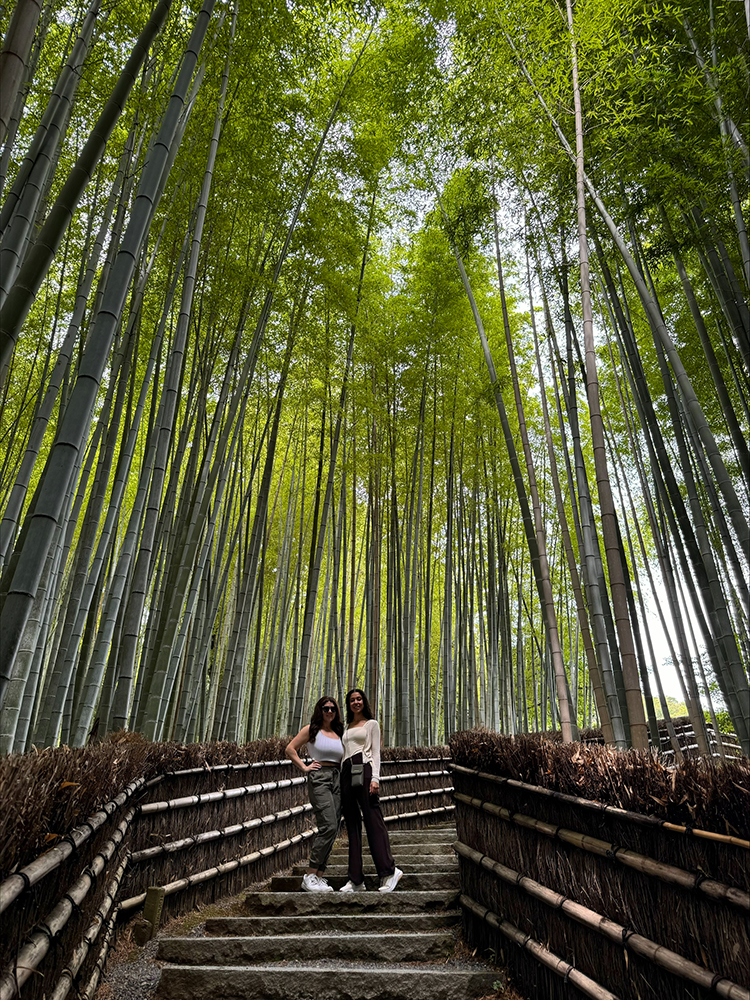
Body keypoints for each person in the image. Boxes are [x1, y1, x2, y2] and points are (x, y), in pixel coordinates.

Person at [339, 688, 403, 893]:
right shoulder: (346, 727)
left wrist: (375, 778)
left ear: (364, 702)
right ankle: (356, 880)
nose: (356, 702)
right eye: (352, 700)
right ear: (348, 704)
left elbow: (376, 753)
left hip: (364, 768)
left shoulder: (372, 724)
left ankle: (389, 872)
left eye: (359, 699)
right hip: (346, 772)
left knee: (373, 819)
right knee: (352, 825)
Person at [286, 696, 344, 892]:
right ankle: (310, 875)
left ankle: (319, 876)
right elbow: (290, 749)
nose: (329, 712)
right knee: (328, 825)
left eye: (333, 709)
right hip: (319, 777)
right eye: (325, 708)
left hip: (338, 778)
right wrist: (304, 767)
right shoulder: (311, 729)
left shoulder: (340, 732)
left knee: (334, 827)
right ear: (320, 710)